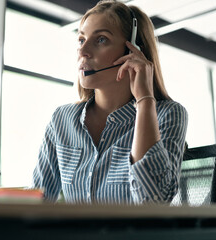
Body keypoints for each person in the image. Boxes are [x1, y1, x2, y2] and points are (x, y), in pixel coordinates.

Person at [32, 0, 188, 204]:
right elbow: (37, 202)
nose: (82, 51)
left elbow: (153, 202)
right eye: (81, 40)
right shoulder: (62, 119)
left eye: (101, 40)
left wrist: (144, 99)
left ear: (132, 51)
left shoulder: (168, 114)